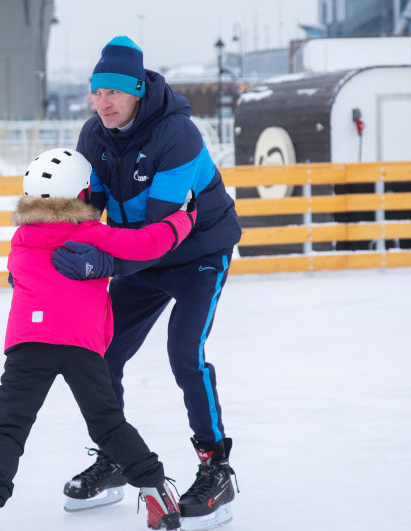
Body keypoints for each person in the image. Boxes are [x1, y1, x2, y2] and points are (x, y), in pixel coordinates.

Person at [51, 36, 242, 531]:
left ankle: (215, 469)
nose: (103, 103)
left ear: (137, 90)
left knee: (185, 353)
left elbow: (161, 235)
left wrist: (100, 263)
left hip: (197, 250)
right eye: (97, 93)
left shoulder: (178, 134)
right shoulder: (93, 135)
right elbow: (87, 213)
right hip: (141, 254)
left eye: (114, 93)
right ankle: (114, 457)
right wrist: (51, 256)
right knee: (103, 352)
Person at [0, 148, 197, 531]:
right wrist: (185, 217)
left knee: (7, 427)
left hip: (27, 343)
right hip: (79, 346)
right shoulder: (90, 233)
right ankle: (157, 495)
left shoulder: (20, 240)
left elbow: (18, 274)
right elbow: (149, 243)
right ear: (83, 195)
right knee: (108, 425)